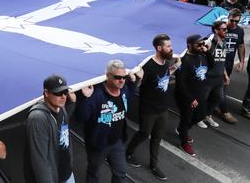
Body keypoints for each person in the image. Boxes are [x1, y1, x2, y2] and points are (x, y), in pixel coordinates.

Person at [76, 60, 142, 183]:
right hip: (98, 145)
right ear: (108, 76)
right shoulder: (96, 94)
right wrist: (84, 98)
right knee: (94, 173)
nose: (122, 80)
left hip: (117, 142)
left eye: (123, 77)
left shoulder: (124, 91)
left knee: (121, 174)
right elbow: (81, 117)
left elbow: (131, 93)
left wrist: (135, 81)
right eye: (117, 77)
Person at [125, 34, 177, 180]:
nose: (171, 49)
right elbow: (139, 86)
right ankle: (128, 152)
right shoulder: (148, 65)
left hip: (163, 109)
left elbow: (165, 75)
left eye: (171, 46)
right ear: (159, 48)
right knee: (143, 133)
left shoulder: (166, 63)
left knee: (157, 138)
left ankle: (154, 165)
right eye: (168, 46)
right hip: (149, 109)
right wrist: (138, 78)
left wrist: (176, 66)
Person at [24, 74, 76, 183]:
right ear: (46, 93)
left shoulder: (61, 108)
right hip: (52, 178)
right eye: (58, 93)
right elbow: (40, 160)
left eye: (65, 92)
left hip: (66, 174)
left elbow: (60, 123)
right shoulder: (37, 118)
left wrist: (72, 102)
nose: (63, 96)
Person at [175, 34, 213, 157]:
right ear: (189, 45)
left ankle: (182, 130)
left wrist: (208, 53)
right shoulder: (184, 60)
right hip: (187, 96)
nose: (202, 46)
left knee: (201, 115)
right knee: (186, 119)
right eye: (199, 44)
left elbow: (211, 66)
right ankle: (184, 142)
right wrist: (190, 98)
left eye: (203, 44)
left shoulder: (202, 55)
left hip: (200, 93)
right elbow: (181, 83)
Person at [198, 21, 229, 129]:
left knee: (218, 98)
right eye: (224, 29)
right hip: (208, 77)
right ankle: (198, 117)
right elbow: (200, 53)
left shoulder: (224, 42)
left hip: (219, 77)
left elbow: (222, 60)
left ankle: (208, 115)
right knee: (202, 99)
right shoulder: (210, 42)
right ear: (216, 30)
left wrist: (225, 74)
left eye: (226, 29)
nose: (226, 31)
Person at [218, 9, 244, 124]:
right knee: (221, 87)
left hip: (229, 63)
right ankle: (224, 111)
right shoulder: (222, 29)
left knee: (221, 86)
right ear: (228, 17)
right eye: (232, 20)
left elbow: (241, 46)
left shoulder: (240, 31)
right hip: (219, 62)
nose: (234, 23)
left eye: (237, 21)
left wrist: (242, 61)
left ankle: (212, 106)